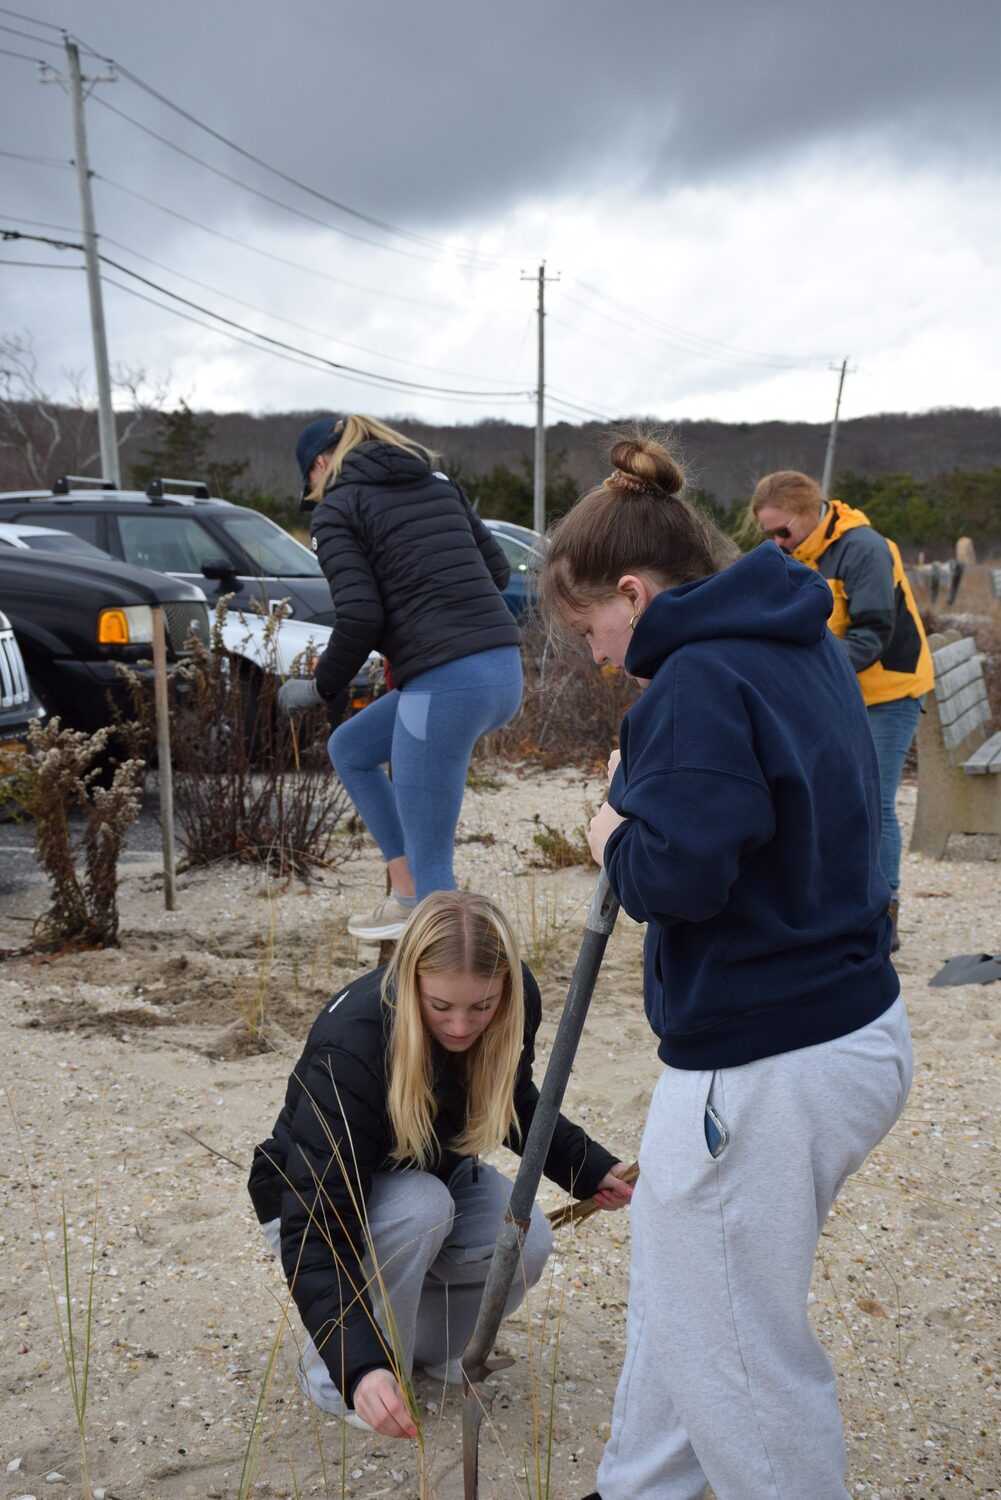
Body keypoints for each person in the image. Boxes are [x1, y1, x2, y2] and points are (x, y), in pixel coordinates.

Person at [537, 434, 913, 1500]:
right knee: (682, 1284)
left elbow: (679, 878)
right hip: (843, 1028)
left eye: (589, 629)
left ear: (629, 589)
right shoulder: (794, 637)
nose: (596, 655)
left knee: (740, 1355)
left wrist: (614, 822)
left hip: (765, 1057)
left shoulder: (694, 679)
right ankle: (640, 1486)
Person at [248, 889, 632, 1439]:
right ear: (410, 983)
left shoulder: (515, 997)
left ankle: (424, 1349)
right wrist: (357, 1365)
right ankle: (337, 1376)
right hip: (311, 1205)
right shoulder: (353, 1045)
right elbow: (315, 1226)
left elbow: (512, 1097)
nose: (460, 1027)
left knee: (527, 1236)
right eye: (440, 1006)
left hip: (432, 1171)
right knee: (419, 1208)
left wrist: (588, 1168)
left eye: (481, 1006)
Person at [277, 414, 523, 941]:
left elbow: (361, 615)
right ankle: (404, 891)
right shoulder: (437, 483)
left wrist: (320, 686)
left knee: (439, 884)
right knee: (352, 748)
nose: (315, 494)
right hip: (502, 671)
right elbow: (498, 572)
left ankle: (451, 998)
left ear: (320, 465)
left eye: (311, 485)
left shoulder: (339, 507)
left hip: (445, 686)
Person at [750, 470, 933, 950]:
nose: (775, 541)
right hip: (838, 692)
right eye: (767, 534)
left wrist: (807, 676)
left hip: (890, 691)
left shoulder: (865, 548)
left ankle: (884, 914)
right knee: (835, 800)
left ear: (810, 512)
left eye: (781, 531)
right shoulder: (793, 552)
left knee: (874, 803)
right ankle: (848, 903)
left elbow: (872, 634)